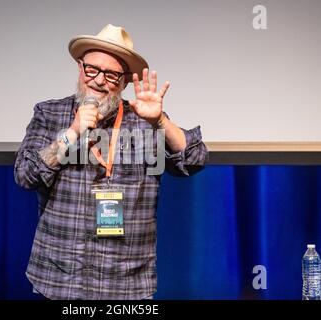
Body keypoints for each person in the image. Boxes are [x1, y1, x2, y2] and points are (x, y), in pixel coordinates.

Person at [14, 24, 209, 300]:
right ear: (80, 68)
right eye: (91, 69)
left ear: (125, 81)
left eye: (111, 74)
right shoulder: (49, 113)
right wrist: (72, 133)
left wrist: (160, 121)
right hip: (59, 280)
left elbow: (194, 160)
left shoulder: (144, 121)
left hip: (126, 285)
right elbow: (26, 175)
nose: (98, 80)